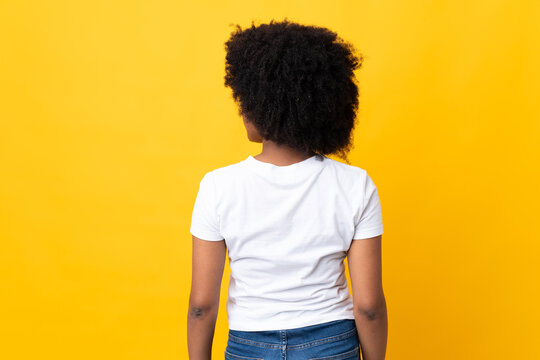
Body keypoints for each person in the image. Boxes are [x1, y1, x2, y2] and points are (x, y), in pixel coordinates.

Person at [187, 18, 387, 360]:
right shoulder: (356, 185)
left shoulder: (217, 186)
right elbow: (368, 306)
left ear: (259, 103)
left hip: (250, 345)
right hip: (332, 344)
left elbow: (201, 305)